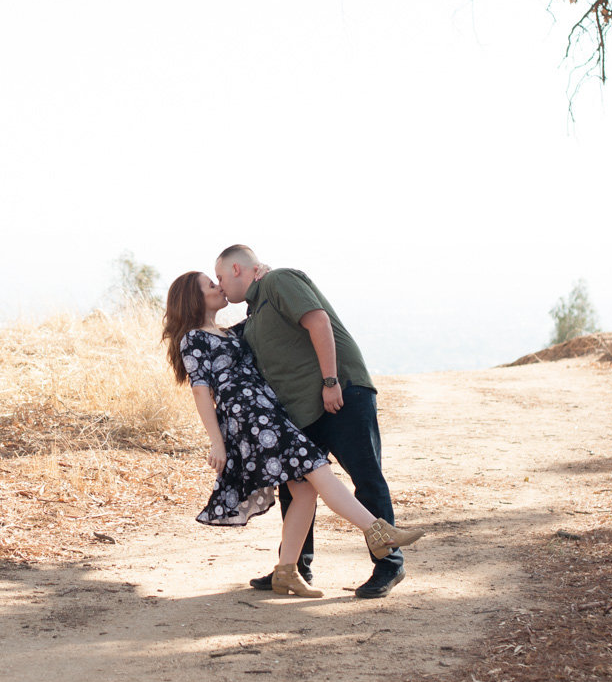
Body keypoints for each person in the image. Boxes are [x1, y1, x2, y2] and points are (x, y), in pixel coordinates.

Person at [162, 271, 423, 597]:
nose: (218, 288)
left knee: (304, 492)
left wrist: (265, 278)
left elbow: (273, 326)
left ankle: (288, 571)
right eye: (210, 285)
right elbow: (201, 392)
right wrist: (217, 442)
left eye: (218, 280)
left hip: (269, 415)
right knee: (317, 469)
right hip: (253, 422)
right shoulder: (193, 339)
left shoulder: (230, 333)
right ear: (194, 298)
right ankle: (379, 532)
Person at [214, 244, 408, 599]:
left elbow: (318, 320)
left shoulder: (278, 280)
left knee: (365, 478)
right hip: (302, 410)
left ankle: (389, 565)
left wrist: (331, 381)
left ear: (239, 269)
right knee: (297, 487)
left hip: (340, 395)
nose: (221, 286)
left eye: (221, 277)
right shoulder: (256, 311)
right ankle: (293, 569)